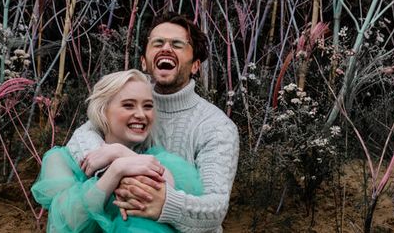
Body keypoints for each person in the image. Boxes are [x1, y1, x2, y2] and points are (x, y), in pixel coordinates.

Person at [67, 14, 239, 233]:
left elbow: (215, 209)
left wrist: (166, 204)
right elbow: (83, 136)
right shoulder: (127, 98)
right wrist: (115, 170)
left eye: (177, 44)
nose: (166, 48)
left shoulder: (216, 126)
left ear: (196, 65)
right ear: (144, 62)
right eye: (157, 43)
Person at [32, 69, 203, 232]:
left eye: (148, 106)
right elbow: (68, 221)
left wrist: (122, 153)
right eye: (128, 105)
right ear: (103, 111)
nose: (141, 115)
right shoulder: (63, 159)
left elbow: (176, 200)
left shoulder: (155, 157)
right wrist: (116, 171)